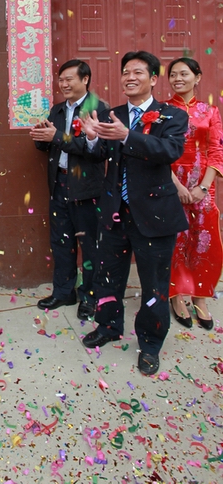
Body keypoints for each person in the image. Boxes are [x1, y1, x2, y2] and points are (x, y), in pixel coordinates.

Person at [80, 51, 188, 376]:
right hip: (115, 213)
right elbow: (101, 153)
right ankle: (109, 326)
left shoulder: (171, 116)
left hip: (155, 216)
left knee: (154, 284)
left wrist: (128, 135)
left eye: (137, 72)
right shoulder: (111, 114)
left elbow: (170, 151)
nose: (129, 77)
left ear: (153, 79)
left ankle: (151, 344)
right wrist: (91, 138)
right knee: (108, 276)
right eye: (126, 72)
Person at [30, 59, 107, 319]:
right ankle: (64, 292)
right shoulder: (58, 109)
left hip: (87, 188)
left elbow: (97, 151)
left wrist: (57, 137)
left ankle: (90, 296)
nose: (63, 84)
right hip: (59, 184)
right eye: (60, 80)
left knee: (90, 245)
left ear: (85, 80)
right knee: (61, 241)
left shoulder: (98, 109)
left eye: (69, 79)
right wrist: (42, 136)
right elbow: (50, 145)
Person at [167, 57, 223, 330]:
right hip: (169, 185)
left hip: (203, 188)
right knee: (175, 241)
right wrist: (176, 186)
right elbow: (157, 153)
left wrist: (202, 188)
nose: (178, 79)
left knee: (204, 242)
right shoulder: (162, 110)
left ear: (197, 77)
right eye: (173, 74)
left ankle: (201, 296)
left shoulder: (210, 111)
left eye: (184, 73)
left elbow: (217, 150)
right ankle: (177, 295)